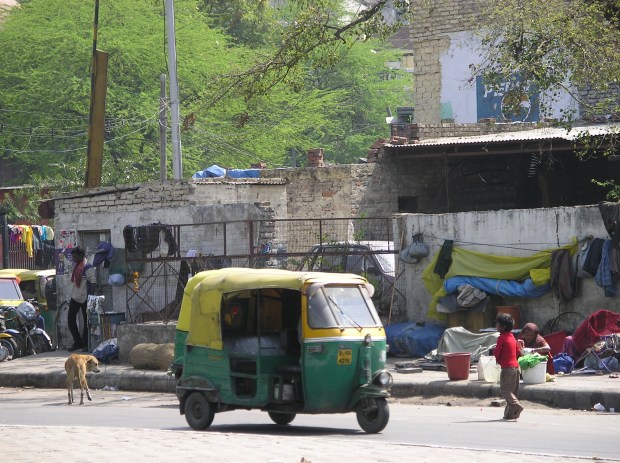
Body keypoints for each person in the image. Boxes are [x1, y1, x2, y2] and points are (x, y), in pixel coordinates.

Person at [494, 312, 524, 420]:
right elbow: (518, 352)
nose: (496, 326)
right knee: (513, 392)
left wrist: (497, 360)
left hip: (507, 368)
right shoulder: (512, 337)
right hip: (516, 368)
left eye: (497, 324)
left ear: (503, 327)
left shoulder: (501, 338)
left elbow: (497, 352)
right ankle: (509, 415)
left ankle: (517, 406)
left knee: (506, 390)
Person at [67, 246, 96, 352]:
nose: (73, 258)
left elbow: (93, 282)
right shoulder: (77, 267)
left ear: (81, 256)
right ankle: (78, 342)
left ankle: (85, 343)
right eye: (73, 256)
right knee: (70, 320)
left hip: (84, 298)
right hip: (75, 297)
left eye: (75, 256)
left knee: (86, 322)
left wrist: (90, 298)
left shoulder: (87, 267)